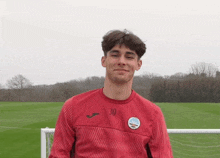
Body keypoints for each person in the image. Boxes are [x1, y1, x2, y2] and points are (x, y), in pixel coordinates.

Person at [49, 29, 173, 158]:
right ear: (104, 61)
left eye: (129, 57)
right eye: (115, 55)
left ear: (138, 64)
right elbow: (58, 154)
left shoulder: (153, 114)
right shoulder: (73, 107)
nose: (122, 61)